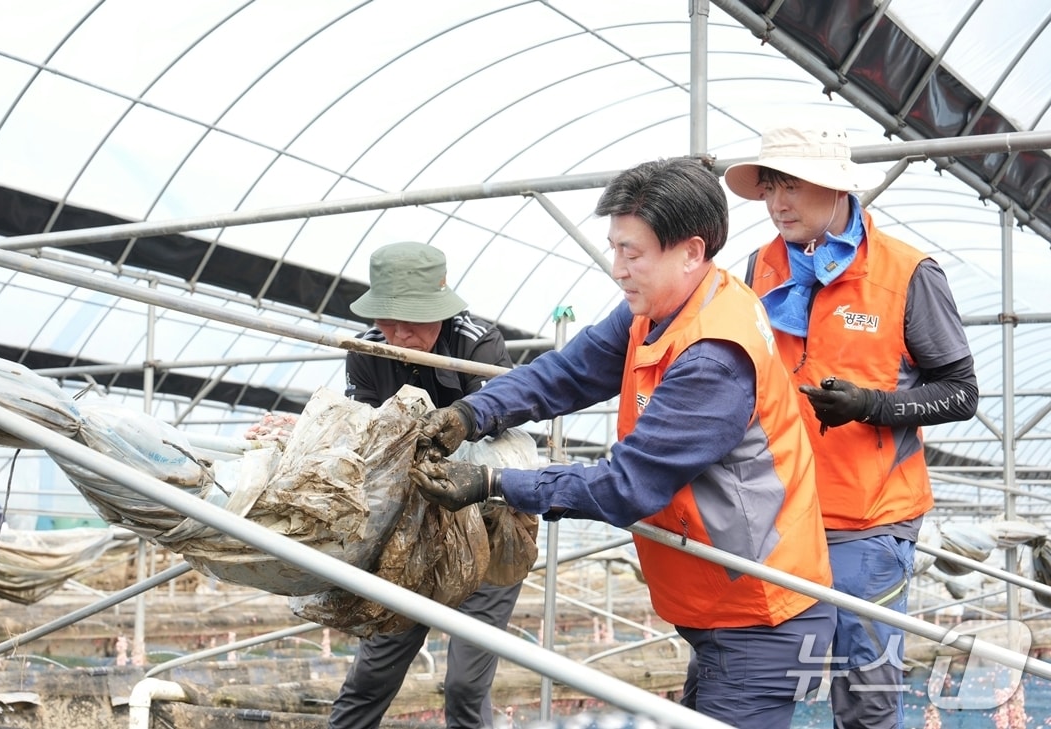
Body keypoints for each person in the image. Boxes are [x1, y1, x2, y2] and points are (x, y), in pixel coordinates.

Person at [409, 157, 836, 729]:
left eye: (631, 253)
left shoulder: (713, 355)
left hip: (759, 610)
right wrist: (471, 412)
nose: (617, 268)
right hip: (719, 600)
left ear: (690, 251)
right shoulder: (664, 306)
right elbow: (568, 372)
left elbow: (627, 484)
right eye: (614, 248)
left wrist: (493, 483)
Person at [723, 126, 979, 729]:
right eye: (770, 187)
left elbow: (962, 392)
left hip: (868, 523)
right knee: (746, 684)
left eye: (793, 186)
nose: (778, 203)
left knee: (864, 695)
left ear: (836, 188)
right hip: (773, 515)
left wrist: (872, 405)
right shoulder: (760, 267)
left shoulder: (907, 273)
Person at [330, 241, 524, 729]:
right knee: (372, 672)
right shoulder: (368, 348)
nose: (398, 333)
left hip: (487, 523)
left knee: (464, 686)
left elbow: (497, 425)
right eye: (389, 320)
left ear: (441, 307)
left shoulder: (476, 344)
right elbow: (365, 435)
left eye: (413, 320)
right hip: (411, 530)